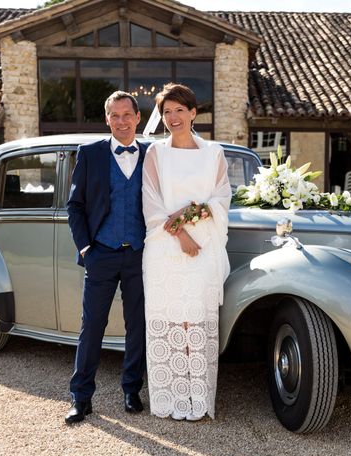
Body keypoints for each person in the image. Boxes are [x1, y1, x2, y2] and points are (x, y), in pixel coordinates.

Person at [142, 83, 231, 421]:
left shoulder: (214, 153)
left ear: (193, 113)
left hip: (205, 248)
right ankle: (171, 400)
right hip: (165, 250)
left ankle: (198, 399)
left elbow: (221, 199)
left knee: (195, 320)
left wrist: (189, 214)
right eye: (167, 111)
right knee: (170, 322)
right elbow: (150, 205)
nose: (173, 117)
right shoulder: (156, 154)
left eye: (180, 110)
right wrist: (180, 233)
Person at [65, 91, 147, 424]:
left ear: (137, 118)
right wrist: (86, 248)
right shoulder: (91, 154)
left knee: (137, 326)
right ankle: (80, 398)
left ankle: (131, 390)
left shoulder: (153, 155)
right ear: (107, 119)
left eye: (127, 115)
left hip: (140, 255)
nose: (122, 121)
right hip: (101, 253)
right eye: (115, 115)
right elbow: (75, 205)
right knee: (92, 326)